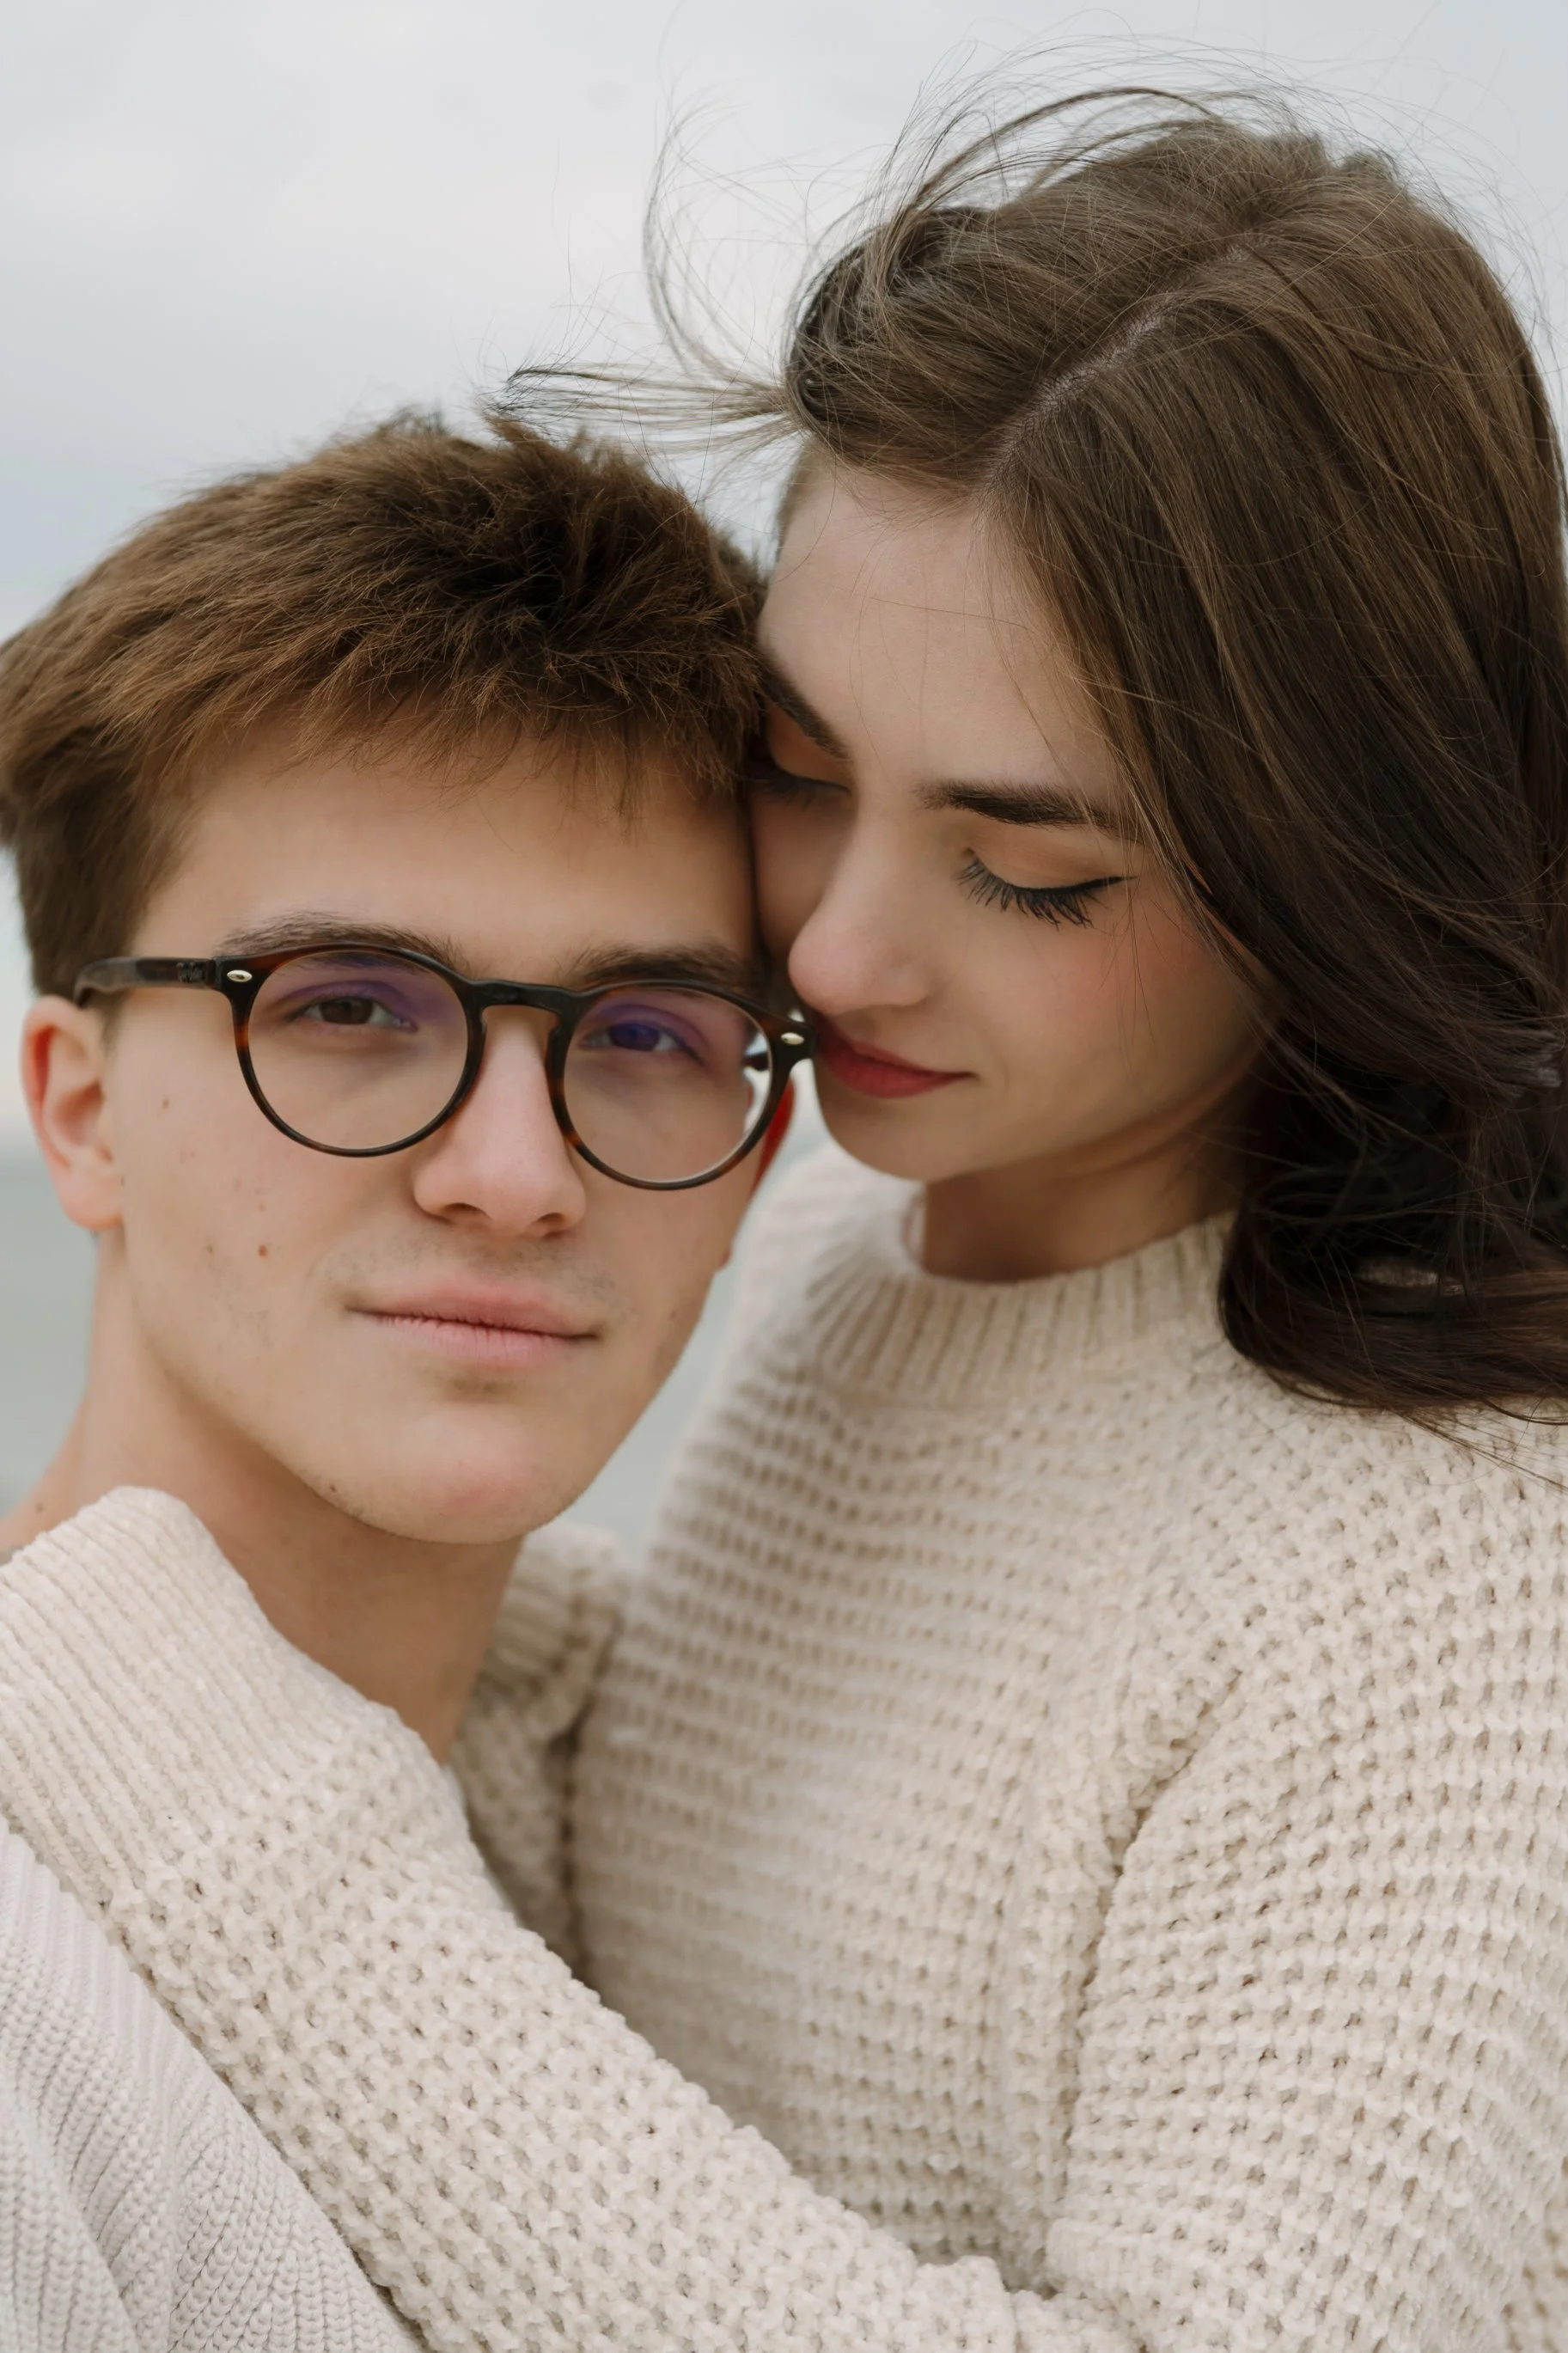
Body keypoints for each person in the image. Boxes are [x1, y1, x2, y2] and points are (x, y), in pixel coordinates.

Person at [6, 80, 1568, 2353]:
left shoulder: (1462, 1568)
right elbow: (760, 1887)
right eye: (807, 778)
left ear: (1333, 871)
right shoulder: (864, 1221)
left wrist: (215, 1764)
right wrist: (403, 1639)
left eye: (1033, 868)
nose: (826, 960)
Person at [0, 412, 800, 2345]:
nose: (514, 1175)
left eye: (644, 1030)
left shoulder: (692, 1867)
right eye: (349, 1009)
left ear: (759, 1169)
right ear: (79, 1110)